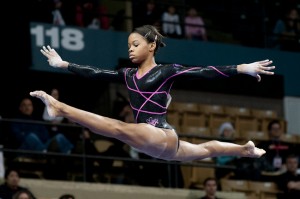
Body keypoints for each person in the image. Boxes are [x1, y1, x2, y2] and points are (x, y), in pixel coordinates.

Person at [30, 24, 275, 163]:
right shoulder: (127, 74)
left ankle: (60, 108)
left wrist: (241, 68)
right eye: (128, 46)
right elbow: (96, 72)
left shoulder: (167, 71)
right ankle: (244, 149)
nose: (131, 50)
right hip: (155, 146)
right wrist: (63, 64)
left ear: (152, 45)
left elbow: (203, 72)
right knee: (207, 150)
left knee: (115, 128)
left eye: (135, 45)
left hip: (162, 135)